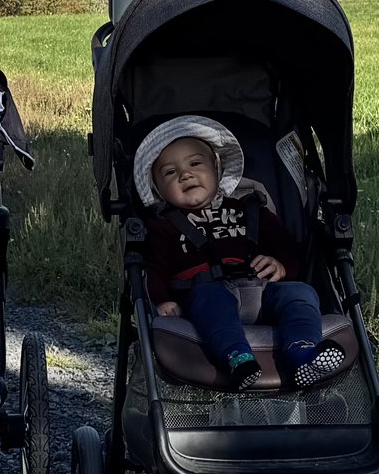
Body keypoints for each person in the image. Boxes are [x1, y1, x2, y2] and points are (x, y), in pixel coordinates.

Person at [134, 116, 345, 391]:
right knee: (211, 297)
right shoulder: (164, 227)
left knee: (302, 293)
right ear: (157, 189)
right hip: (205, 296)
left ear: (218, 169)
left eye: (196, 163)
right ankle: (237, 357)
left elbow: (288, 249)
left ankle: (302, 351)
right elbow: (155, 268)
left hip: (263, 289)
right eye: (170, 173)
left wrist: (282, 266)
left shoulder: (250, 209)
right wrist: (161, 300)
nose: (185, 174)